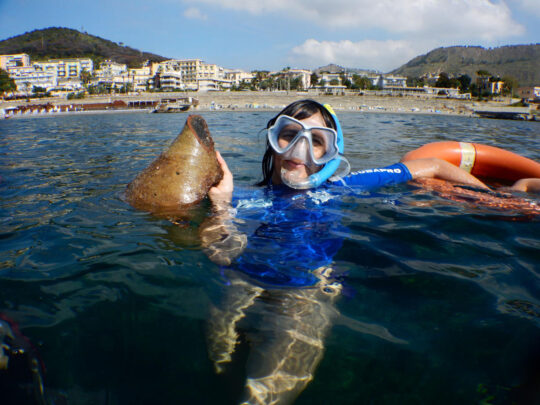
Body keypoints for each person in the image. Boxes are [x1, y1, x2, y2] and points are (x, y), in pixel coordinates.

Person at [199, 99, 536, 405]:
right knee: (218, 366)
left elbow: (433, 164)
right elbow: (219, 253)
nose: (300, 149)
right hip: (241, 279)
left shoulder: (346, 185)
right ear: (272, 141)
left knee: (264, 397)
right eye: (289, 135)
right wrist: (221, 208)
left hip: (306, 291)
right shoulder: (239, 197)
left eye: (316, 141)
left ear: (332, 153)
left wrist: (493, 199)